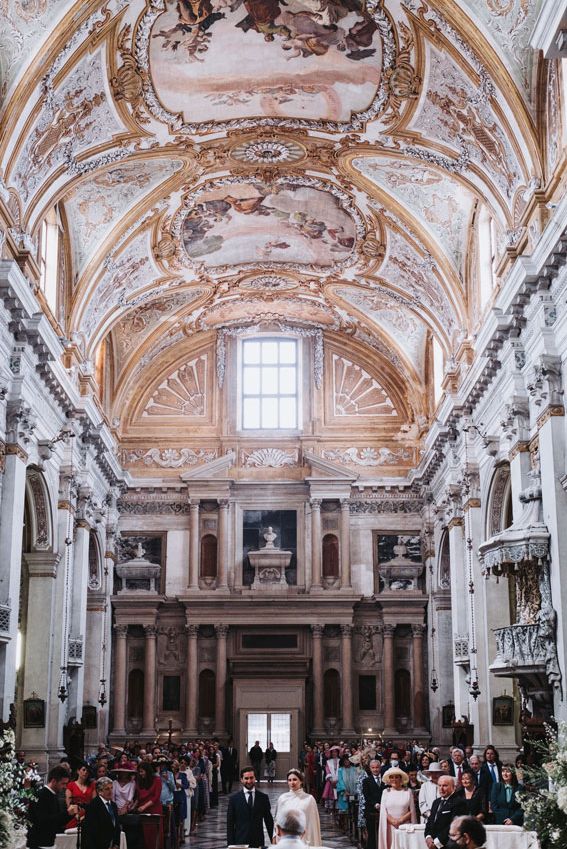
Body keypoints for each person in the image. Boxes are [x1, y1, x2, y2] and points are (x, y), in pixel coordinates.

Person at [227, 765, 274, 848]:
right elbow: (230, 825)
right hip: (240, 842)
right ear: (241, 780)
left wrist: (274, 843)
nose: (249, 781)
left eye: (251, 778)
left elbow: (269, 822)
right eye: (246, 778)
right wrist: (230, 845)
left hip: (258, 842)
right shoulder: (233, 799)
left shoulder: (263, 798)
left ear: (255, 778)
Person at [27, 765, 72, 849]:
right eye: (63, 783)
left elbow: (57, 822)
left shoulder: (53, 795)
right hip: (39, 843)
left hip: (48, 842)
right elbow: (44, 821)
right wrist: (67, 813)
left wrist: (70, 814)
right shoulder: (41, 795)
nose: (65, 787)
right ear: (54, 781)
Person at [274, 768, 321, 847]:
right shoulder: (282, 798)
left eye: (295, 779)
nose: (292, 783)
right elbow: (277, 821)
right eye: (289, 780)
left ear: (301, 781)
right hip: (285, 839)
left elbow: (312, 824)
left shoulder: (309, 799)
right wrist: (275, 837)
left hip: (304, 839)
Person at [377, 766, 416, 849]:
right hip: (390, 826)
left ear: (401, 779)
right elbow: (383, 811)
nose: (394, 779)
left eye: (396, 777)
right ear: (389, 779)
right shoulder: (385, 792)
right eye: (391, 777)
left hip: (405, 826)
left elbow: (412, 811)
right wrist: (393, 821)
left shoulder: (408, 791)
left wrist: (401, 820)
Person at [424, 775, 467, 849]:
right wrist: (428, 837)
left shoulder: (459, 802)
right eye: (439, 785)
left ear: (453, 787)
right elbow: (430, 822)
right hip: (433, 843)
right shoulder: (436, 802)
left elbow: (454, 826)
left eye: (445, 786)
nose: (441, 788)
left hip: (449, 844)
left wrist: (437, 842)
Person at [80, 776, 122, 849]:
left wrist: (116, 844)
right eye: (107, 789)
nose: (111, 791)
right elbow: (91, 832)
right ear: (99, 791)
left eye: (112, 788)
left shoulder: (113, 805)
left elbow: (116, 827)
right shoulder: (93, 806)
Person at [136, 761, 163, 849]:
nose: (140, 774)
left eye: (142, 771)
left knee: (154, 834)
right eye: (139, 772)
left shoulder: (157, 780)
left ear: (147, 771)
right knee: (145, 836)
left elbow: (156, 797)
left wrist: (144, 806)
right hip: (142, 810)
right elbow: (137, 797)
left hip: (153, 809)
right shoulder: (139, 781)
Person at [65, 762, 96, 828]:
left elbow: (94, 803)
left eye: (87, 771)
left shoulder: (92, 785)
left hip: (88, 815)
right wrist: (76, 815)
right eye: (83, 770)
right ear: (78, 771)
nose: (85, 772)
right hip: (74, 815)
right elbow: (69, 804)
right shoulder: (71, 785)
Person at [360, 759, 383, 849]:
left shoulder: (385, 780)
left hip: (384, 810)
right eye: (373, 768)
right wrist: (376, 804)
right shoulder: (366, 781)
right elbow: (367, 796)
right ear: (370, 769)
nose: (375, 770)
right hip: (371, 810)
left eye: (377, 767)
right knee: (372, 834)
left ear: (380, 768)